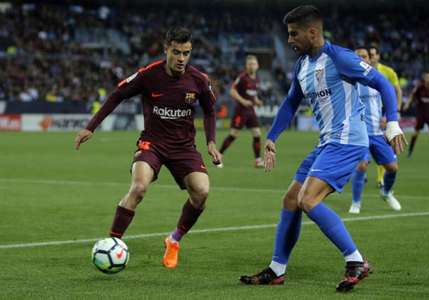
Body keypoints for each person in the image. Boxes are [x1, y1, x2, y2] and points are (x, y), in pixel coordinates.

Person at [239, 5, 406, 292]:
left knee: (308, 200)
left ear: (312, 32)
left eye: (294, 34)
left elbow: (383, 84)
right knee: (291, 199)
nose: (290, 40)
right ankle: (277, 269)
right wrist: (272, 137)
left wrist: (392, 122)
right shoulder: (302, 64)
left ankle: (356, 261)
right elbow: (291, 102)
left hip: (348, 140)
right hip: (327, 142)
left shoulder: (340, 58)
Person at [74, 27, 222, 269]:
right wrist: (91, 126)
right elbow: (116, 95)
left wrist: (212, 143)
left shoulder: (198, 80)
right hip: (152, 143)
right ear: (166, 50)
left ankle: (174, 240)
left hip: (184, 147)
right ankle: (113, 243)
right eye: (176, 52)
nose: (181, 58)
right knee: (139, 186)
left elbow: (210, 111)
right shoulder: (148, 75)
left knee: (202, 192)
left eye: (186, 53)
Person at [349, 47, 401, 214]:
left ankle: (386, 193)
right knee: (362, 166)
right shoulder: (350, 80)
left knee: (392, 168)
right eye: (359, 57)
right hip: (359, 134)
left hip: (378, 133)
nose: (363, 59)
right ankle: (356, 203)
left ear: (369, 59)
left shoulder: (377, 78)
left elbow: (390, 96)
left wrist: (388, 116)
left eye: (365, 56)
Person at [218, 55, 264, 168]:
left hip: (251, 111)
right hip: (241, 111)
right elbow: (232, 91)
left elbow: (253, 95)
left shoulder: (257, 79)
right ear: (246, 66)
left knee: (257, 133)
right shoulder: (242, 77)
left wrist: (257, 101)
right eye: (249, 64)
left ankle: (258, 160)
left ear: (257, 66)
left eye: (253, 63)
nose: (251, 66)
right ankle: (219, 155)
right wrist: (243, 101)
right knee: (233, 135)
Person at [369, 46, 402, 188]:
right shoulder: (360, 71)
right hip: (370, 112)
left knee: (384, 144)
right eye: (368, 55)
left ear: (378, 56)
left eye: (372, 55)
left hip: (385, 111)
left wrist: (395, 112)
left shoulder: (388, 72)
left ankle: (380, 178)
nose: (370, 57)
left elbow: (397, 91)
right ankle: (369, 175)